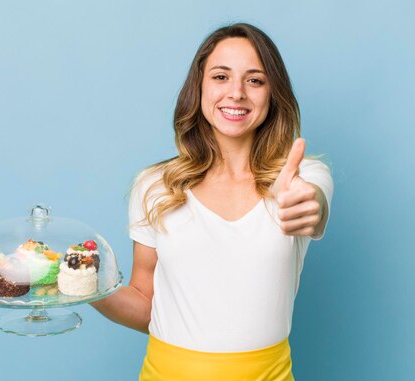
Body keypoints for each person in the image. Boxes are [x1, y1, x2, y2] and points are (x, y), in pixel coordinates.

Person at [92, 22, 333, 380]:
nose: (236, 93)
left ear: (272, 93)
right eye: (221, 77)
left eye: (255, 80)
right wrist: (81, 287)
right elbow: (146, 305)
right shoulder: (156, 185)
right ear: (199, 87)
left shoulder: (302, 178)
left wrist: (307, 207)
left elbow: (312, 208)